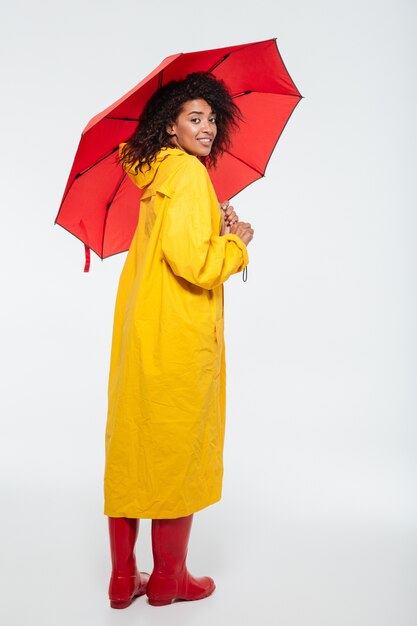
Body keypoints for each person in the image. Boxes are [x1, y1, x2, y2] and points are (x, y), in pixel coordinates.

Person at [104, 71, 254, 609]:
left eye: (212, 119)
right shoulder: (189, 175)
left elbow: (171, 246)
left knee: (132, 448)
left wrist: (215, 224)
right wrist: (235, 245)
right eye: (195, 118)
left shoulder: (155, 175)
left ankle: (124, 580)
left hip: (140, 333)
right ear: (169, 126)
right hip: (179, 334)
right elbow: (195, 264)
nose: (208, 128)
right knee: (176, 450)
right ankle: (169, 579)